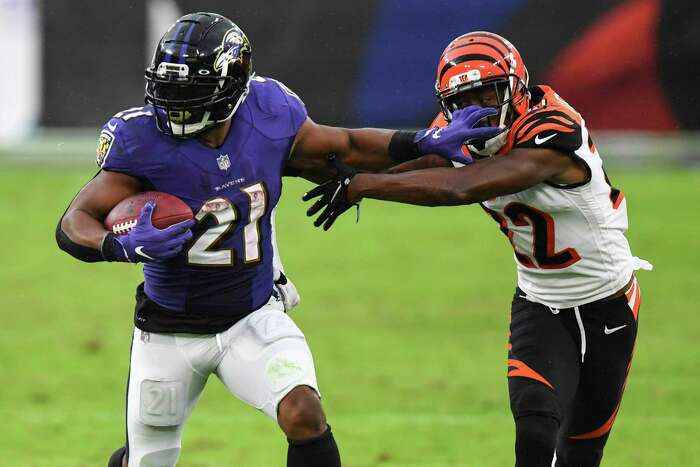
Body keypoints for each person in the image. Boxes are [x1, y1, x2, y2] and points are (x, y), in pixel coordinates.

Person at [55, 13, 494, 467]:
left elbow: (341, 146)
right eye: (168, 90)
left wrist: (420, 142)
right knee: (146, 462)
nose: (174, 106)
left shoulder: (268, 113)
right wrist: (120, 246)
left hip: (252, 315)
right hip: (168, 330)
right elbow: (75, 220)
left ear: (231, 86)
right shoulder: (140, 139)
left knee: (304, 411)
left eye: (189, 93)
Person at [304, 31, 652, 467]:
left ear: (516, 85)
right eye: (464, 99)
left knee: (581, 450)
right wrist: (328, 168)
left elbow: (462, 186)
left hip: (609, 300)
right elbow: (419, 160)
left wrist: (363, 186)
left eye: (488, 92)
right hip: (540, 300)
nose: (478, 109)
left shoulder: (552, 129)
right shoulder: (465, 129)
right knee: (535, 425)